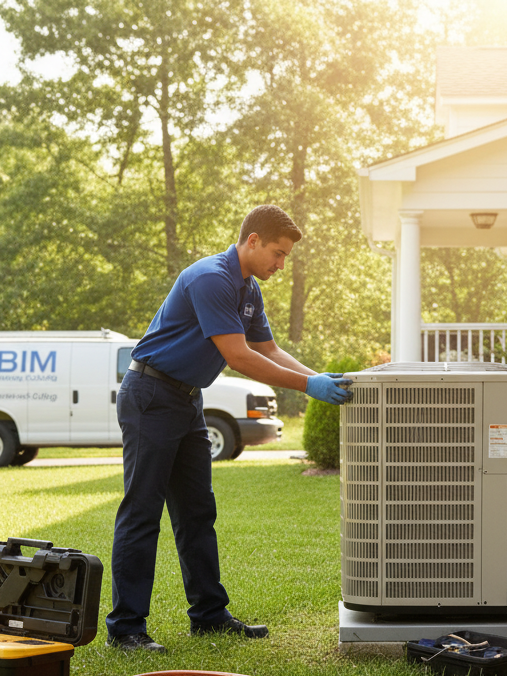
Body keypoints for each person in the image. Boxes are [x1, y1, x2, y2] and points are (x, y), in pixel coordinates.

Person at [106, 205, 352, 653]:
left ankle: (209, 615)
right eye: (278, 254)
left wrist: (319, 379)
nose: (281, 264)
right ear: (252, 240)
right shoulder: (212, 278)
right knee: (143, 511)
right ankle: (126, 628)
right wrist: (307, 386)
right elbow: (239, 357)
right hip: (150, 394)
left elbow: (269, 350)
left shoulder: (248, 289)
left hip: (186, 399)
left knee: (197, 511)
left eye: (286, 258)